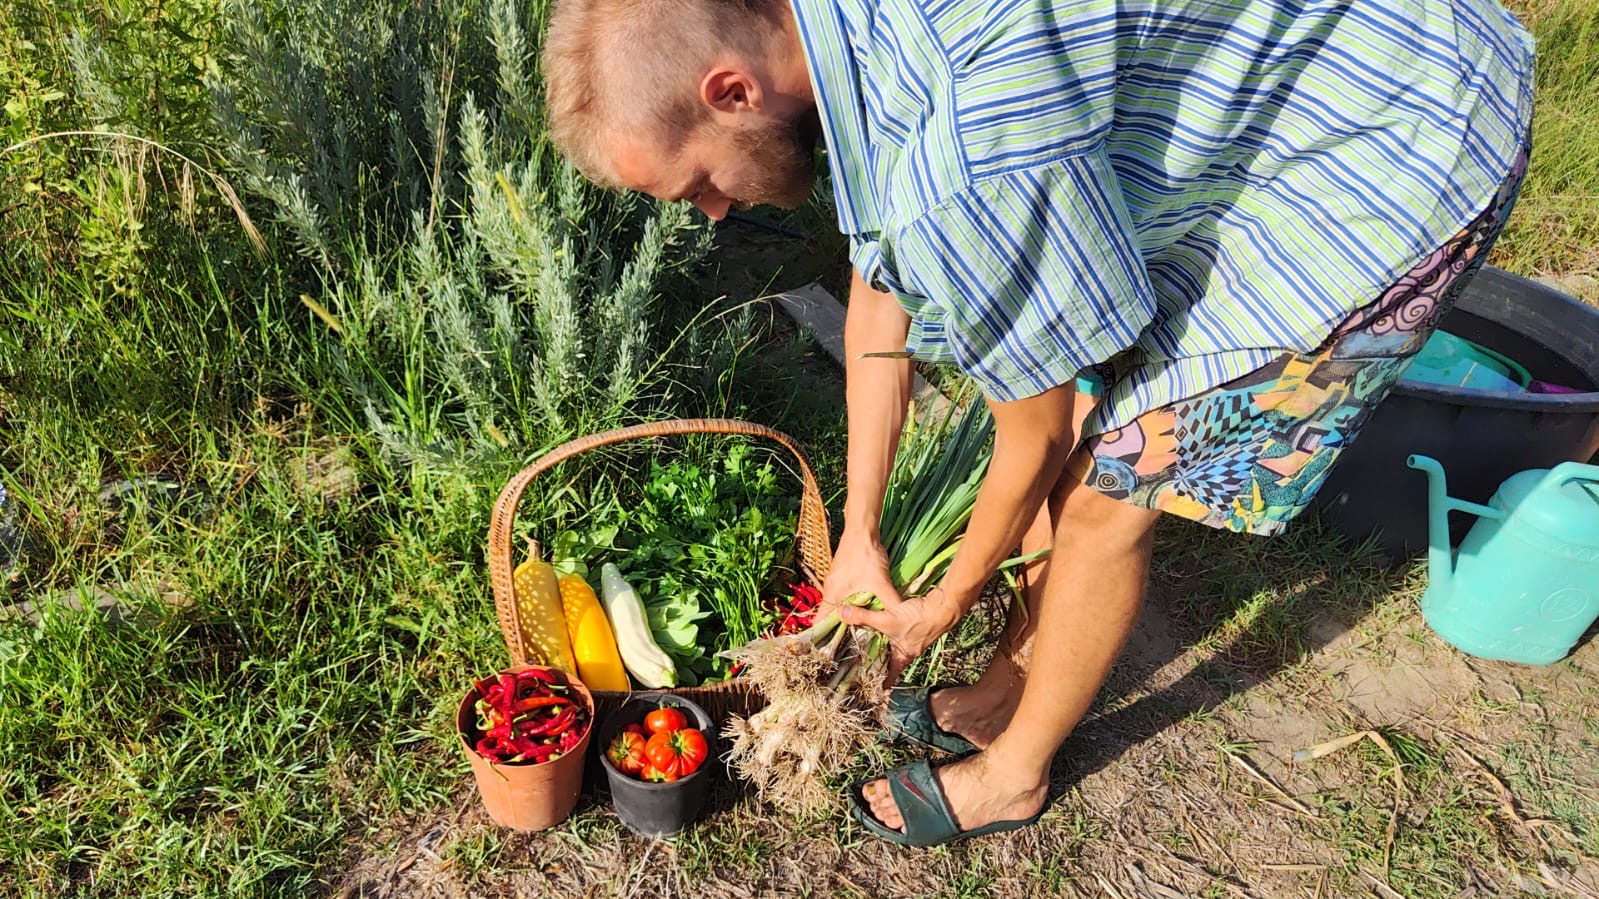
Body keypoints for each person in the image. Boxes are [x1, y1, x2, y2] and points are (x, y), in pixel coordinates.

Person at [543, 0, 1534, 846]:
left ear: (731, 91)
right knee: (1097, 421)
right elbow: (877, 291)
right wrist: (859, 531)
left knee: (1113, 482)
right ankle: (1005, 687)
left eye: (696, 184)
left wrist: (949, 597)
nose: (714, 212)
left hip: (1404, 127)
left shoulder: (964, 163)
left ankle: (1016, 769)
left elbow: (1041, 429)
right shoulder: (836, 43)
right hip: (1295, 79)